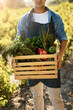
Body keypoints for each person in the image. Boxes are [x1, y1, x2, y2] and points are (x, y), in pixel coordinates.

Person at [12, 0, 68, 110]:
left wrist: (60, 55)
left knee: (56, 98)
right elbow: (18, 39)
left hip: (50, 64)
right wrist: (14, 57)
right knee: (37, 97)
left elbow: (63, 38)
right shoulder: (24, 19)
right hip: (32, 64)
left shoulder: (55, 17)